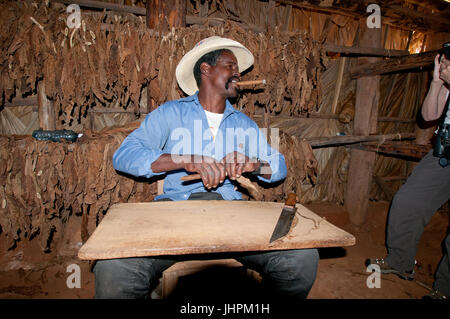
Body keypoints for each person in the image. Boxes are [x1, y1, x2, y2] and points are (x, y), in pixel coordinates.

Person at [93, 36, 319, 299]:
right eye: (230, 65)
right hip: (174, 214)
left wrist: (252, 164)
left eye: (238, 69)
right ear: (206, 69)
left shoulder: (244, 124)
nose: (238, 73)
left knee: (301, 258)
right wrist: (182, 159)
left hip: (231, 217)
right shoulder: (170, 113)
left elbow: (278, 168)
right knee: (114, 268)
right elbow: (124, 156)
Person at [366, 52, 450, 299]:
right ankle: (401, 262)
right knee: (407, 201)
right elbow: (428, 117)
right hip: (444, 154)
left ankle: (445, 290)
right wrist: (437, 83)